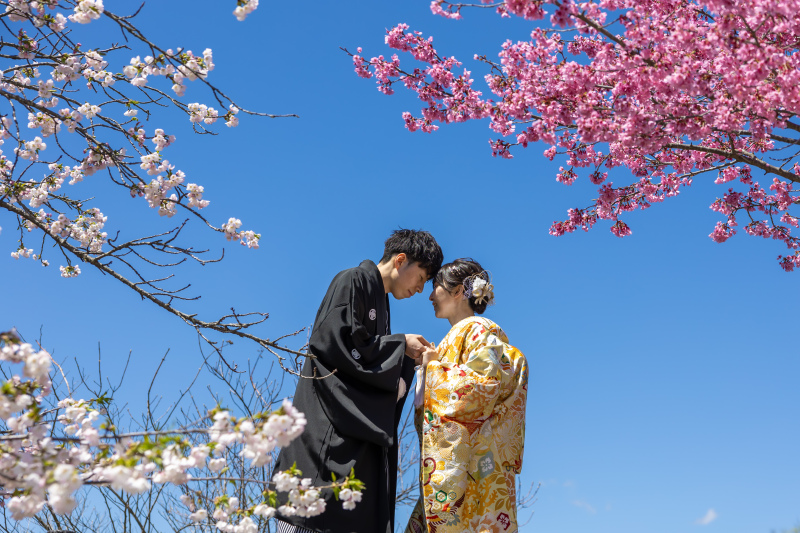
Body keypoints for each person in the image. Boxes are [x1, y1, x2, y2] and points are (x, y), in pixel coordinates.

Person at [274, 229, 444, 533]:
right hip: (322, 444)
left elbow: (367, 355)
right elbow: (334, 344)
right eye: (421, 277)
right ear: (401, 260)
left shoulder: (379, 300)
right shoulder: (353, 280)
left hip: (346, 446)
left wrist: (403, 355)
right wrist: (399, 346)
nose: (421, 289)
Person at [405, 259, 528, 533]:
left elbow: (481, 386)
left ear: (459, 291)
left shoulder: (476, 329)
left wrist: (433, 369)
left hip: (472, 467)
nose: (430, 296)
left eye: (436, 287)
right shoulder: (460, 334)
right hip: (467, 464)